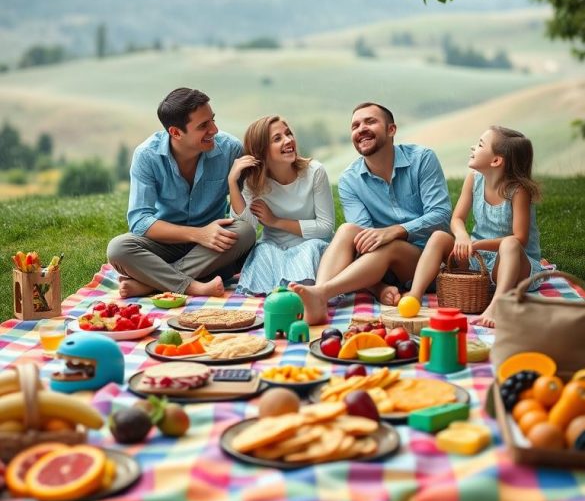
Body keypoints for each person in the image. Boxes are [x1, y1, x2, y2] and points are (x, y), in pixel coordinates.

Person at [291, 102, 452, 324]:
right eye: (355, 125)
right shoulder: (350, 180)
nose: (361, 128)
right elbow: (362, 242)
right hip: (378, 265)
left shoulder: (422, 159)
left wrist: (396, 231)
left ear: (391, 130)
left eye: (370, 121)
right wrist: (379, 287)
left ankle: (322, 294)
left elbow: (441, 216)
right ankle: (319, 298)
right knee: (348, 230)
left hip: (427, 262)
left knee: (391, 244)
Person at [107, 88, 256, 299]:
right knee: (118, 248)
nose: (214, 129)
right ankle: (194, 285)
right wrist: (198, 234)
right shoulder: (147, 155)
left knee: (245, 232)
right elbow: (140, 221)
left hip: (211, 248)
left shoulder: (230, 149)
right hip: (166, 243)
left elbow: (250, 201)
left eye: (212, 120)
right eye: (203, 125)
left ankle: (152, 284)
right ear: (176, 132)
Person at [401, 125, 542, 328]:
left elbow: (520, 239)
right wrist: (462, 237)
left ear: (496, 161)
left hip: (515, 264)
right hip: (479, 260)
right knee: (440, 237)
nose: (473, 147)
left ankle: (496, 306)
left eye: (480, 145)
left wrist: (478, 245)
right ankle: (415, 295)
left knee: (510, 243)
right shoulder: (474, 179)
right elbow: (457, 218)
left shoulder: (518, 191)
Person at [228, 115, 335, 294]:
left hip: (311, 245)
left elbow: (325, 227)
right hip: (274, 248)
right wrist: (233, 182)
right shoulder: (253, 183)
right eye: (277, 139)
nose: (288, 140)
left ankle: (306, 293)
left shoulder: (314, 172)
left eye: (288, 134)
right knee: (263, 252)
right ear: (261, 150)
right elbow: (247, 228)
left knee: (309, 250)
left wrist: (276, 221)